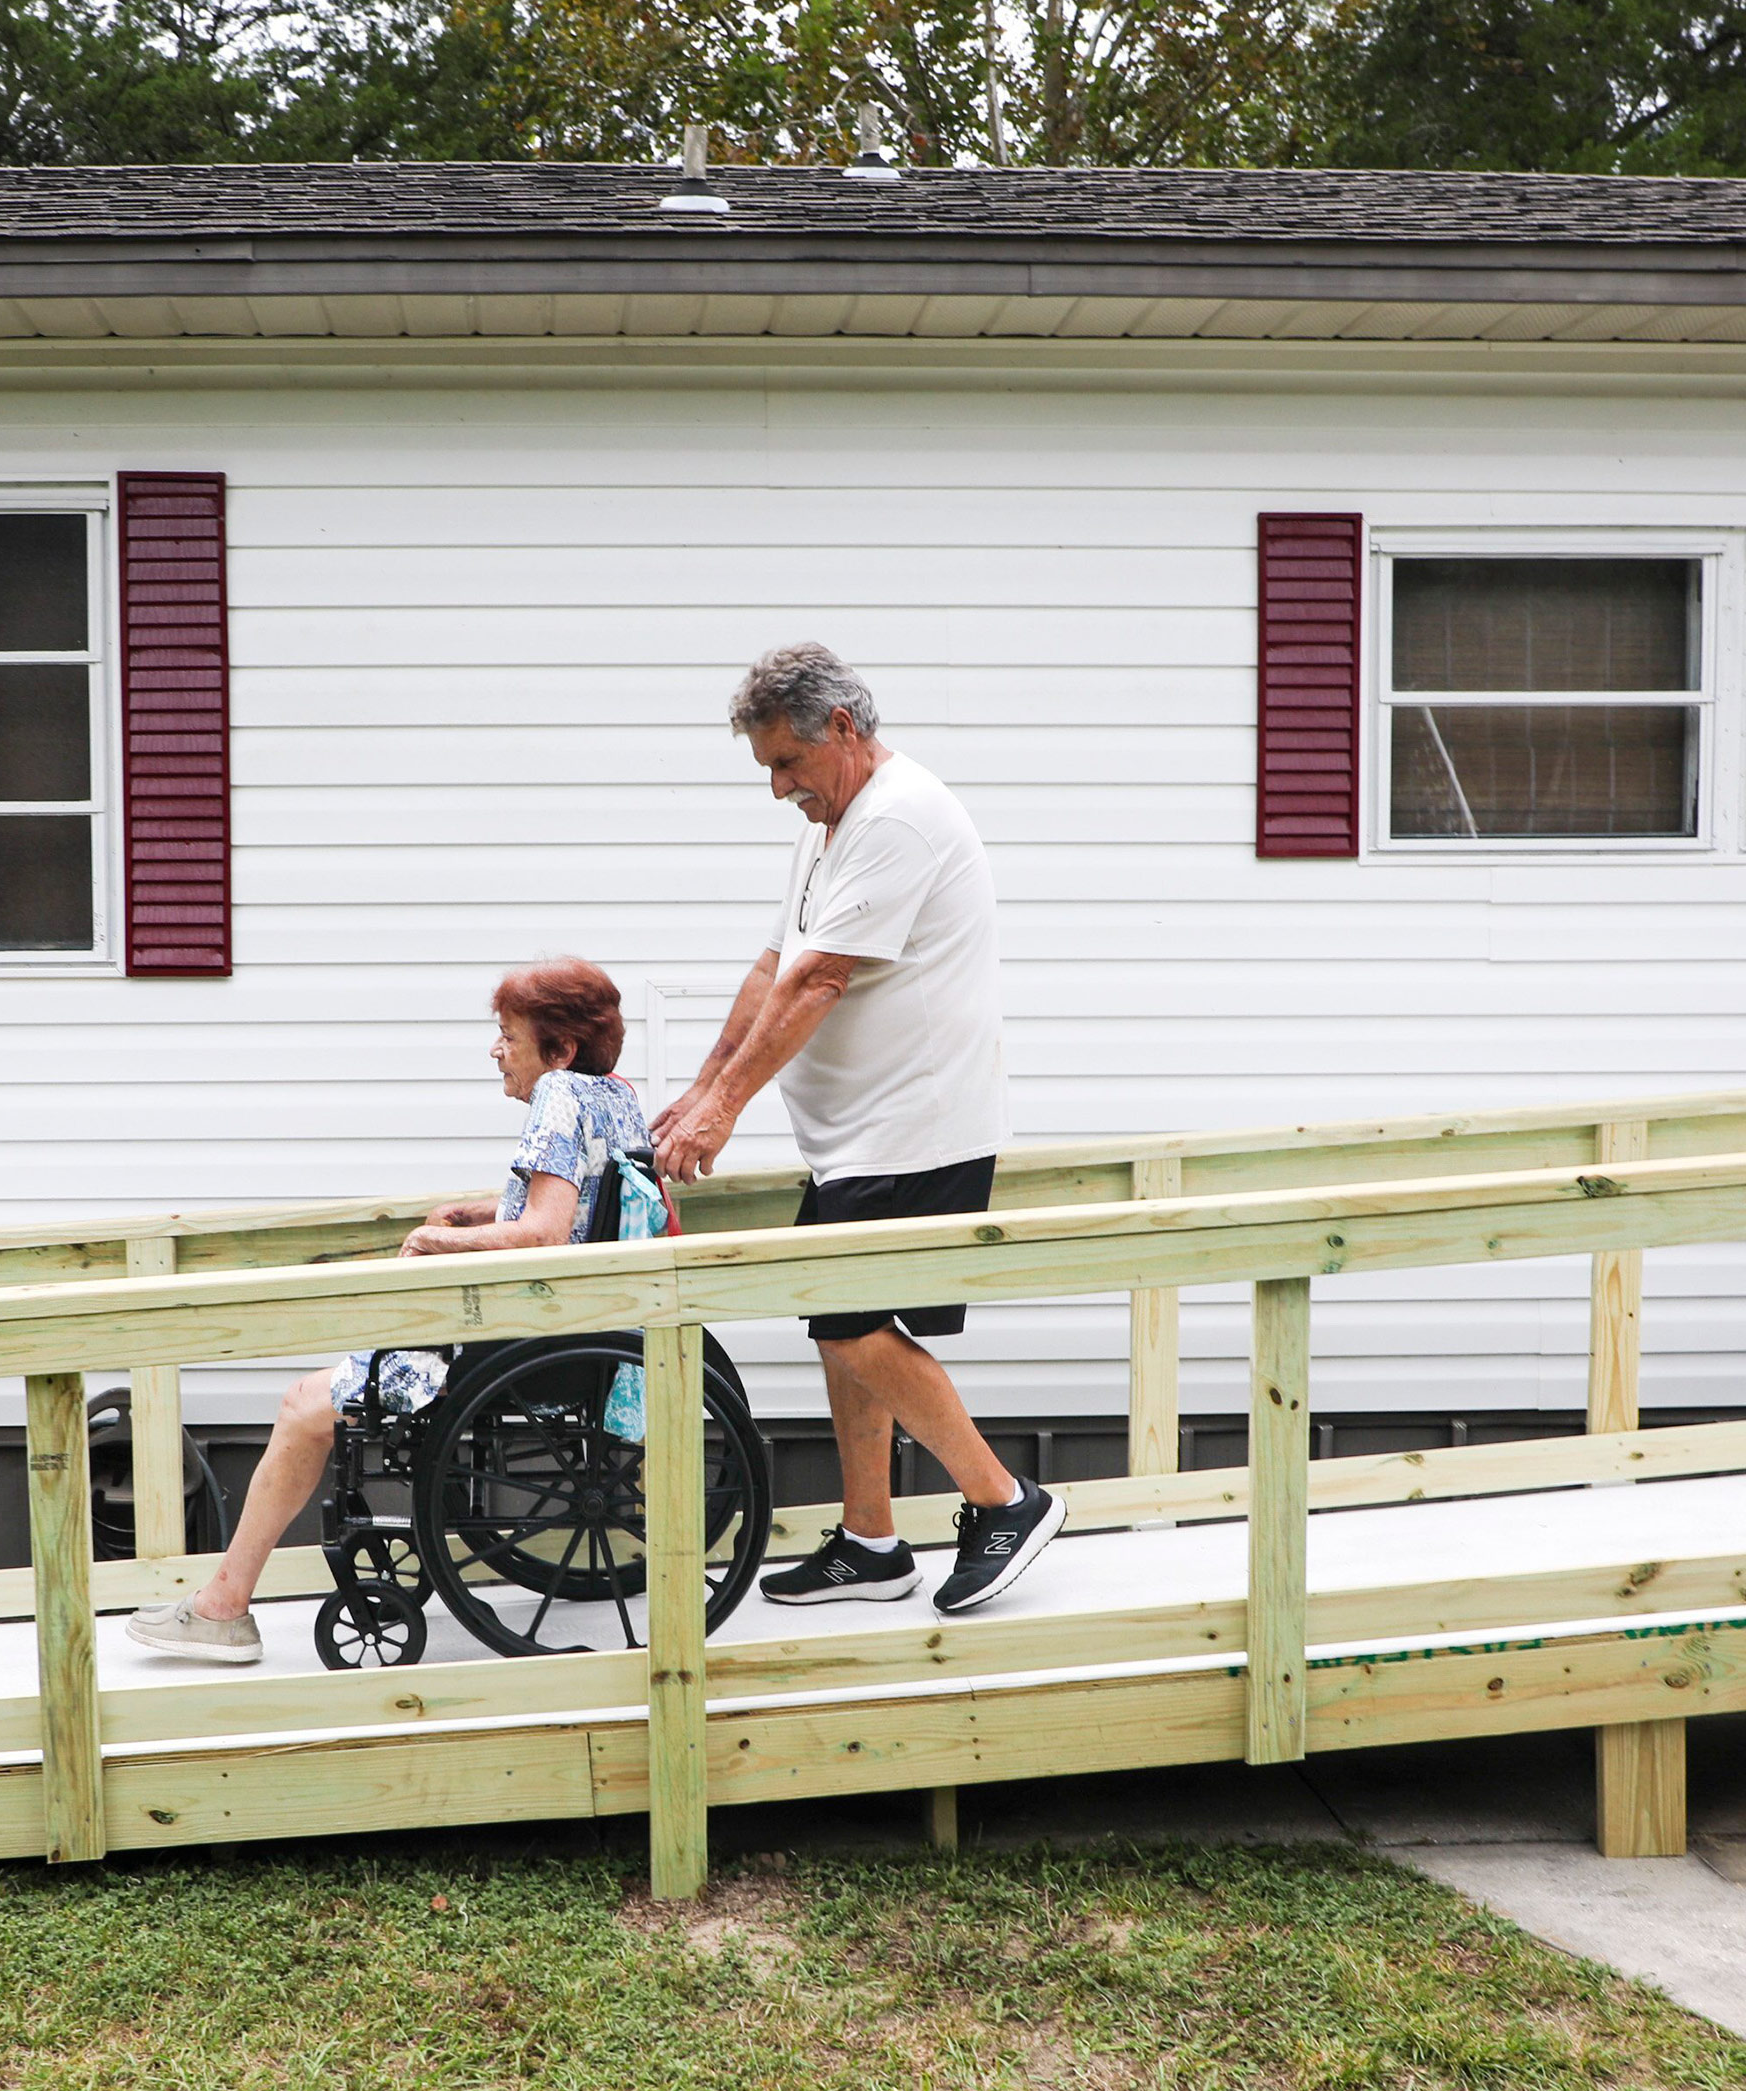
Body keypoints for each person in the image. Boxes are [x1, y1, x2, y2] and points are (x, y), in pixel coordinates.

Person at [651, 643, 1063, 1616]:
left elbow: (823, 979)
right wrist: (700, 1088)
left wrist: (725, 1109)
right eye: (767, 769)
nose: (779, 788)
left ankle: (1006, 1498)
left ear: (840, 729)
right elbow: (773, 968)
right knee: (846, 1327)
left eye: (787, 764)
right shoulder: (833, 821)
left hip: (917, 1124)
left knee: (844, 1319)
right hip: (857, 1133)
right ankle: (874, 1538)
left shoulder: (899, 818)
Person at [122, 957, 654, 1665]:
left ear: (557, 1050)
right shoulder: (613, 1095)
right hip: (577, 1330)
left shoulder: (558, 1092)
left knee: (302, 1406)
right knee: (317, 1394)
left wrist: (440, 1239)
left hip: (517, 1342)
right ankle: (221, 1602)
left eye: (507, 1035)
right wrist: (482, 1211)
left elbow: (546, 1234)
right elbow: (583, 1208)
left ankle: (223, 1609)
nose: (496, 1049)